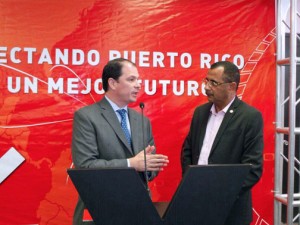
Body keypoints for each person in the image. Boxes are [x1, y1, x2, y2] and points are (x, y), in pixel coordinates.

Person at [71, 58, 169, 225]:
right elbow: (85, 166)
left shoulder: (142, 120)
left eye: (138, 80)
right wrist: (131, 163)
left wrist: (151, 165)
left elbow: (147, 172)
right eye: (131, 79)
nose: (138, 85)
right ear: (113, 83)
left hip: (138, 211)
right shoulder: (87, 117)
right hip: (100, 210)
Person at [181, 61, 263, 225]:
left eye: (214, 83)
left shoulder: (249, 117)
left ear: (231, 86)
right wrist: (191, 183)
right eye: (206, 81)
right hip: (197, 204)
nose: (207, 87)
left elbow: (253, 168)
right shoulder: (200, 112)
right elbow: (187, 151)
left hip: (230, 211)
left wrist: (219, 193)